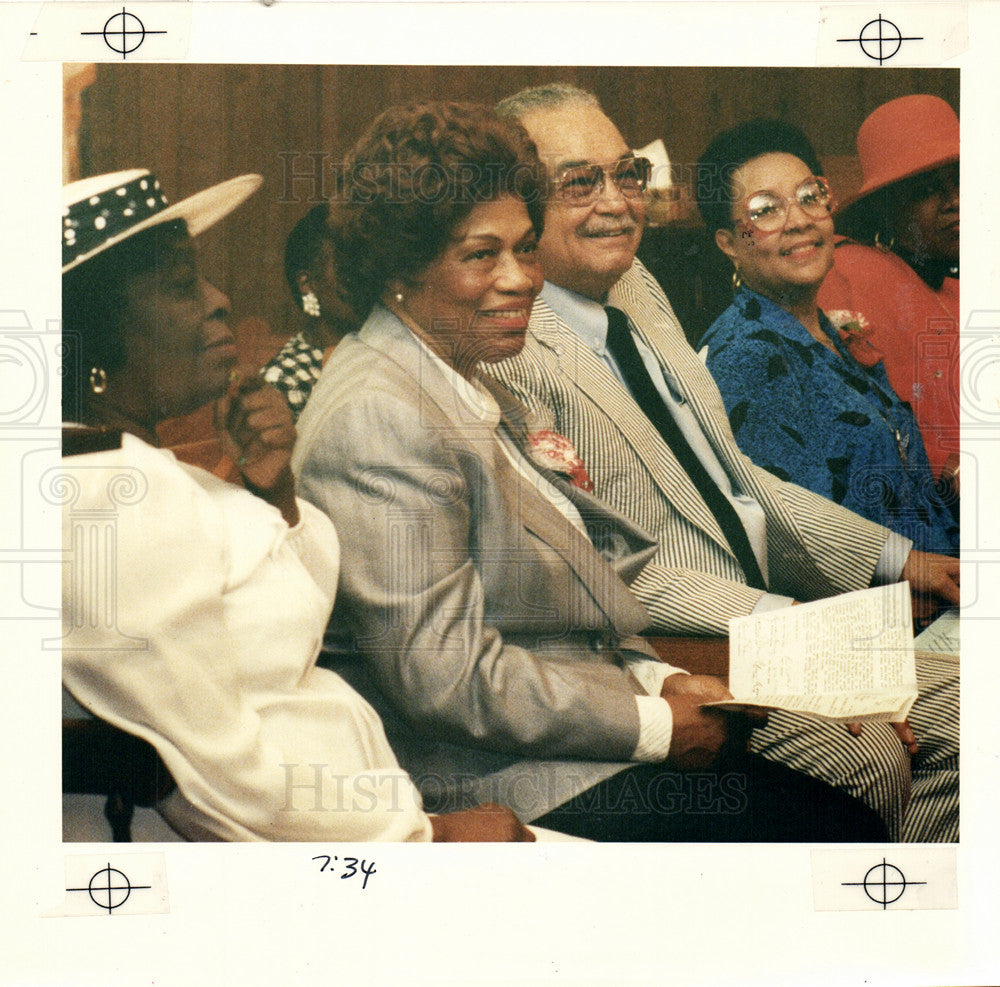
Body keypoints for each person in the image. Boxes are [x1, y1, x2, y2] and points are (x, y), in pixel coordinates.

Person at [293, 100, 888, 843]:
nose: (523, 280)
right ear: (400, 269)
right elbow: (443, 679)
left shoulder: (470, 372)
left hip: (582, 732)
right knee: (838, 835)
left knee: (848, 816)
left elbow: (590, 584)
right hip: (492, 779)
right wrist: (653, 722)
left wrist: (659, 677)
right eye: (483, 255)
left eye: (525, 249)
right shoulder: (378, 413)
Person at [486, 83, 958, 841]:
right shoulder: (509, 351)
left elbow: (732, 471)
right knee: (887, 754)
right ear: (514, 201)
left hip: (768, 610)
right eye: (581, 182)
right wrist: (805, 635)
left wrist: (900, 559)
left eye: (627, 173)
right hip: (685, 647)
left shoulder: (633, 284)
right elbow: (607, 571)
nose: (617, 203)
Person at [60, 167, 534, 843]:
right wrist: (428, 837)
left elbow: (291, 618)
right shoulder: (108, 497)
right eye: (180, 283)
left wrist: (275, 488)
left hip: (350, 820)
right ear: (94, 336)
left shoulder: (134, 468)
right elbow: (211, 770)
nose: (219, 300)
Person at [697, 118, 958, 557]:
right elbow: (799, 537)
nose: (798, 220)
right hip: (885, 610)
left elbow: (893, 500)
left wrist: (951, 487)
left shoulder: (828, 331)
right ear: (728, 242)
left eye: (809, 197)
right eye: (765, 210)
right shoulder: (748, 355)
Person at [818, 95, 959, 490]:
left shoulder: (959, 281)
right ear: (883, 209)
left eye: (961, 179)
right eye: (927, 189)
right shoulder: (848, 274)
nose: (955, 202)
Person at [261, 203, 357, 420]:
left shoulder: (372, 347)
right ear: (307, 284)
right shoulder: (286, 382)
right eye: (346, 266)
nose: (363, 276)